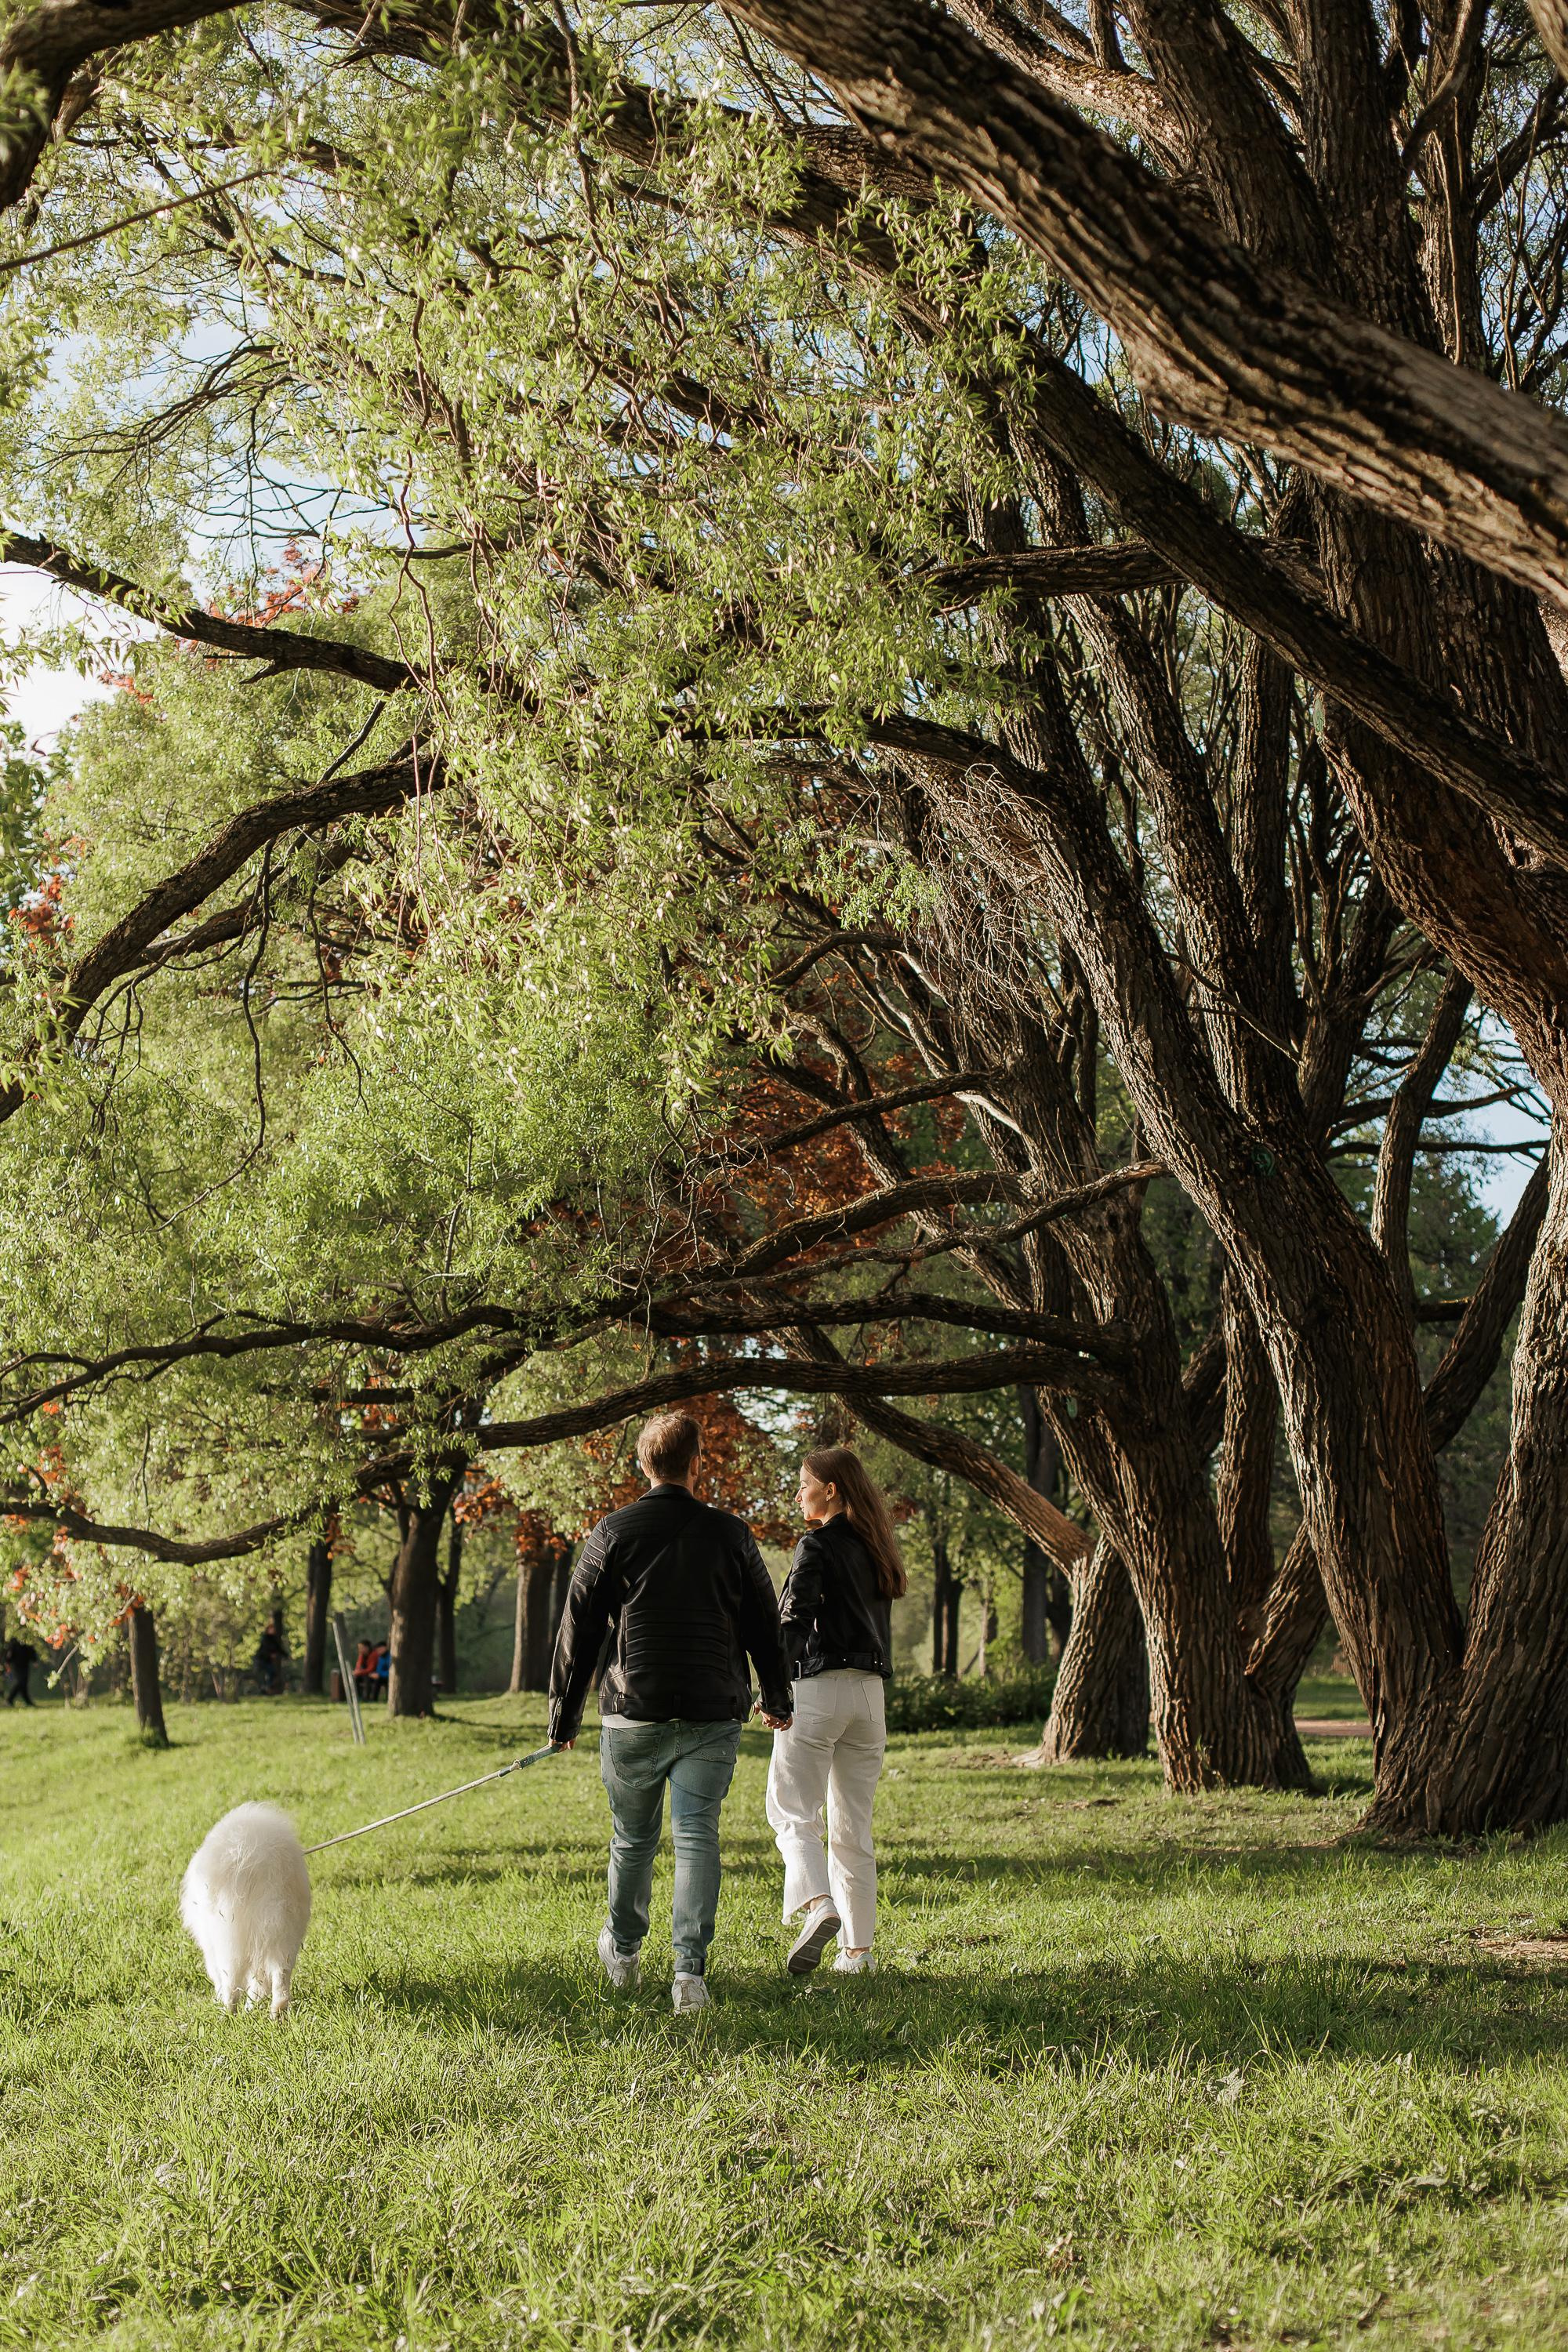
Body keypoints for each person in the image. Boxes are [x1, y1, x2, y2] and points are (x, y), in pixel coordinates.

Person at [549, 1410, 793, 2014]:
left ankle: (624, 1952)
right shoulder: (732, 1535)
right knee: (696, 1837)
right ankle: (689, 1975)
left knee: (633, 1839)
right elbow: (764, 1622)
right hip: (712, 1708)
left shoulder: (613, 1531)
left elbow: (579, 1626)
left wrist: (563, 1717)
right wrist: (778, 1696)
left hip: (634, 1710)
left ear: (643, 1464)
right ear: (697, 1463)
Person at [766, 1446, 907, 1977]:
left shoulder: (817, 1545)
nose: (797, 1493)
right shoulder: (879, 1548)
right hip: (870, 1698)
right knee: (854, 1826)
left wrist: (774, 1688)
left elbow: (795, 1618)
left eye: (804, 1483)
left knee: (791, 1811)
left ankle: (817, 1903)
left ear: (830, 1489)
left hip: (819, 1691)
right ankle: (858, 1952)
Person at [4, 1632, 38, 1708]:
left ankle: (28, 1702)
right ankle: (9, 1699)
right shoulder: (14, 1643)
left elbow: (31, 1651)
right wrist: (7, 1663)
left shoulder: (27, 1642)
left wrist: (34, 1661)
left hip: (25, 1666)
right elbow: (10, 1655)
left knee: (24, 1684)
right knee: (21, 1682)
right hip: (17, 1667)